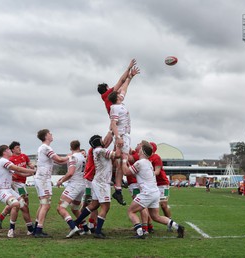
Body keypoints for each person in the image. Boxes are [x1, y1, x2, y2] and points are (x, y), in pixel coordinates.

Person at [121, 140, 185, 239]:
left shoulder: (140, 163)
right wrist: (130, 166)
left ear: (142, 151)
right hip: (155, 193)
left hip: (147, 193)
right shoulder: (148, 163)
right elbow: (137, 174)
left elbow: (125, 172)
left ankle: (140, 233)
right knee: (156, 217)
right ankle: (177, 227)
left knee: (131, 211)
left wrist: (124, 160)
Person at [74, 134, 121, 239]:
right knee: (106, 206)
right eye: (101, 139)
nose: (103, 140)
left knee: (94, 205)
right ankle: (98, 231)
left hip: (98, 181)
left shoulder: (98, 150)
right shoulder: (100, 150)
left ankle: (76, 223)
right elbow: (117, 155)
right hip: (102, 182)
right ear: (98, 142)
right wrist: (119, 144)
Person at [108, 65, 140, 206]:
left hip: (125, 136)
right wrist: (118, 137)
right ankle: (115, 182)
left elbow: (125, 87)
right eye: (120, 93)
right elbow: (113, 124)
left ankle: (118, 189)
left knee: (121, 161)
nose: (122, 93)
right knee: (123, 161)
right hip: (122, 135)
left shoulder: (119, 102)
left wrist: (130, 77)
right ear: (117, 97)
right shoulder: (114, 107)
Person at [33, 129, 69, 238]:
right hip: (43, 179)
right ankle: (38, 230)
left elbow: (58, 161)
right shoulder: (46, 148)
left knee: (42, 204)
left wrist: (68, 158)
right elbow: (59, 159)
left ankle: (36, 228)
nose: (52, 135)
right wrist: (72, 156)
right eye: (50, 133)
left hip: (41, 178)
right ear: (46, 136)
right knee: (46, 205)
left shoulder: (43, 148)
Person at [0, 145, 35, 238]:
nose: (10, 150)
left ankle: (30, 230)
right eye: (8, 149)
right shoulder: (3, 161)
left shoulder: (8, 162)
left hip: (8, 190)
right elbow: (17, 168)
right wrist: (32, 171)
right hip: (1, 191)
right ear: (4, 152)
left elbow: (19, 173)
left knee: (24, 206)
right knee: (16, 204)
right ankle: (11, 230)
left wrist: (33, 172)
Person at [56, 140, 86, 238]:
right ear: (79, 147)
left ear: (70, 148)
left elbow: (70, 173)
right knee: (75, 208)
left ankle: (73, 227)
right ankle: (85, 229)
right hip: (82, 185)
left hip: (74, 185)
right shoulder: (82, 157)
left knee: (60, 207)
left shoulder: (73, 157)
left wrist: (61, 181)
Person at [149, 142, 172, 219]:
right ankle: (148, 225)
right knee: (149, 205)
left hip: (163, 184)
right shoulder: (146, 158)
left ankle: (170, 221)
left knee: (163, 205)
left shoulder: (156, 157)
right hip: (153, 184)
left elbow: (157, 172)